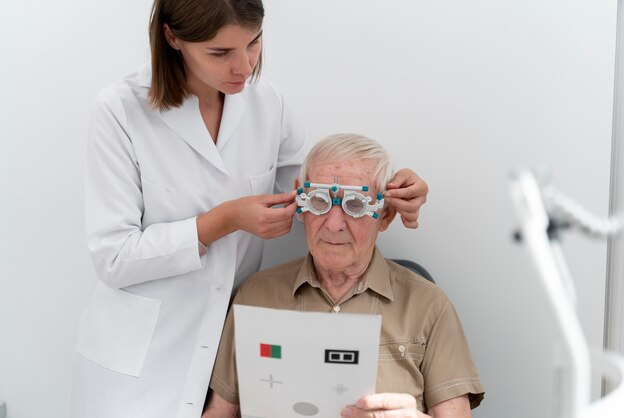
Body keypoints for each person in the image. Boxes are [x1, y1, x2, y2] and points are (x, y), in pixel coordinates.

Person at [70, 1, 428, 418]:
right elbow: (113, 257)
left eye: (253, 43)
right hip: (138, 363)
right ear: (173, 38)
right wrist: (224, 221)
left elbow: (313, 194)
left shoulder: (265, 102)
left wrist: (390, 188)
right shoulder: (120, 111)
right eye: (220, 53)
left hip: (226, 352)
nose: (244, 67)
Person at [203, 133, 484, 418]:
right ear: (301, 203)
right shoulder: (255, 297)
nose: (334, 225)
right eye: (319, 200)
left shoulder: (429, 306)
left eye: (355, 204)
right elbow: (219, 412)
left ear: (385, 215)